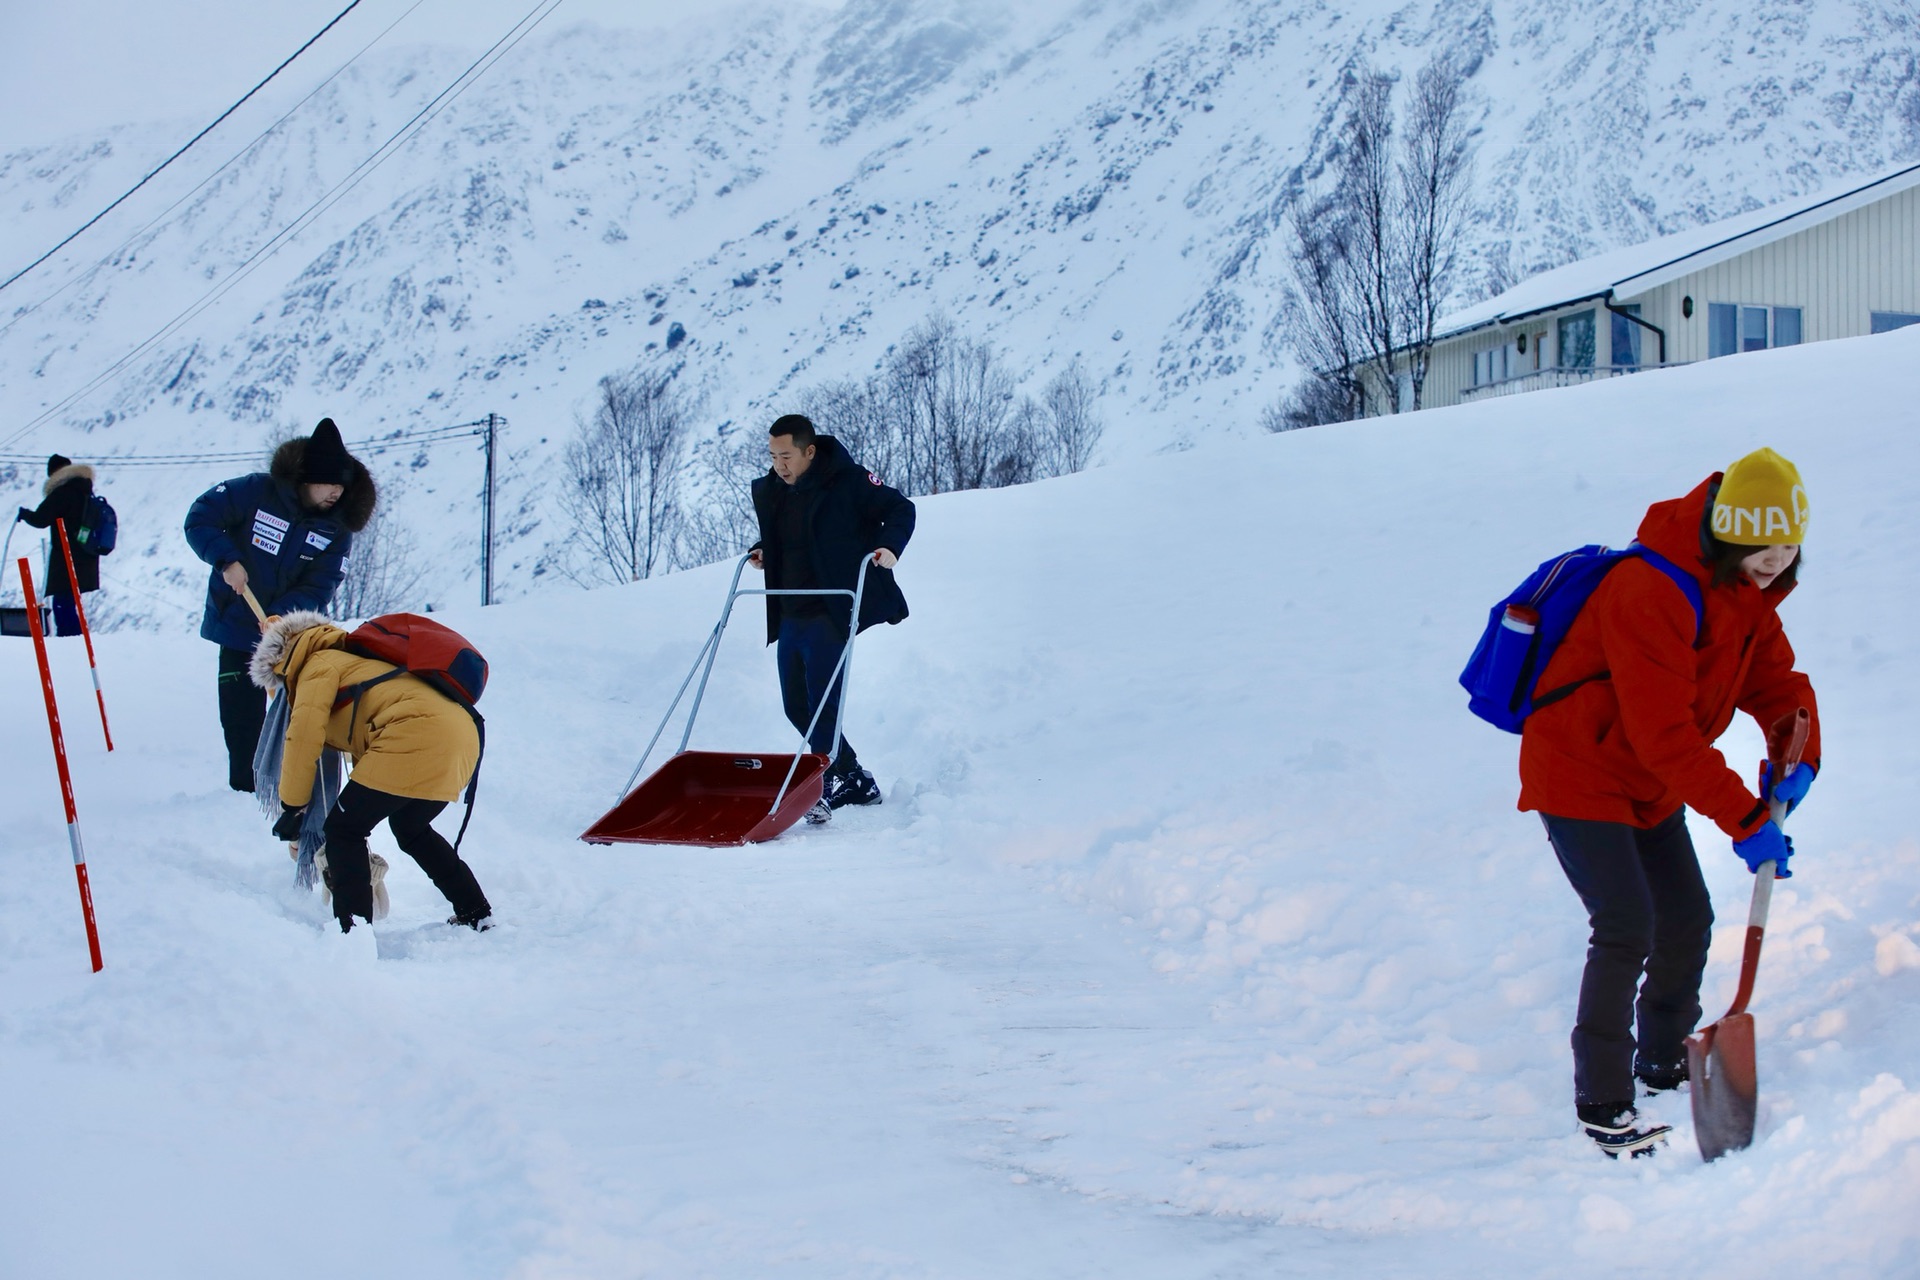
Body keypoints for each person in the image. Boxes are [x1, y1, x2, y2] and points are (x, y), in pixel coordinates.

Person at [1519, 447, 1820, 1157]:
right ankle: (1603, 1101)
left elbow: (1779, 687)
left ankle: (1661, 1062)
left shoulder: (1746, 599)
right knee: (1627, 924)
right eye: (1759, 544)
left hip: (1649, 783)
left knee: (1685, 918)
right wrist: (1745, 821)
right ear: (1727, 536)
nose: (1775, 559)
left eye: (1787, 545)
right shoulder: (1648, 589)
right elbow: (1664, 735)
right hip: (1581, 770)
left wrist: (1798, 759)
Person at [251, 611, 492, 933]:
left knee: (343, 830)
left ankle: (353, 932)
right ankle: (476, 912)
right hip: (462, 738)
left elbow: (303, 735)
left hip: (414, 735)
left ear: (282, 661)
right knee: (412, 829)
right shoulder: (357, 663)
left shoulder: (319, 664)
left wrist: (292, 807)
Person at [183, 418, 374, 793]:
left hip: (289, 634)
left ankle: (294, 785)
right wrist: (227, 559)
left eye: (341, 485)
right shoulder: (256, 492)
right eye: (328, 483)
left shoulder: (336, 529)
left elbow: (323, 582)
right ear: (306, 479)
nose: (336, 492)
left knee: (299, 710)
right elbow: (201, 518)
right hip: (238, 620)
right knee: (239, 710)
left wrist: (281, 617)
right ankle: (245, 787)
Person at [748, 413, 915, 822]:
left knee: (823, 702)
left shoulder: (849, 480)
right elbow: (788, 536)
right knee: (796, 706)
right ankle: (853, 776)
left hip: (832, 607)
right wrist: (763, 550)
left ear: (809, 451)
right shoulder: (774, 489)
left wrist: (889, 546)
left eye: (786, 456)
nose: (779, 466)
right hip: (789, 608)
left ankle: (820, 785)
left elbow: (900, 508)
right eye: (772, 457)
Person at [16, 454, 101, 636]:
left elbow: (41, 519)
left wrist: (25, 514)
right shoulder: (84, 491)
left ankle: (70, 640)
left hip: (67, 556)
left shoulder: (62, 493)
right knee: (68, 602)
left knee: (62, 604)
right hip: (85, 554)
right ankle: (76, 639)